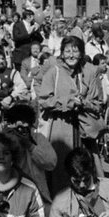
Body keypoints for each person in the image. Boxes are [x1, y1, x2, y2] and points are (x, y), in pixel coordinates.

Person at [38, 36, 104, 195]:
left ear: (82, 53)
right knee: (62, 166)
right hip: (61, 125)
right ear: (61, 53)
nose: (71, 55)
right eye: (67, 51)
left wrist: (83, 103)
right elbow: (44, 100)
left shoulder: (90, 71)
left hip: (84, 125)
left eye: (75, 51)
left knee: (85, 166)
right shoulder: (54, 71)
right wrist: (67, 102)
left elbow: (98, 103)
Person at [49, 147, 109, 217]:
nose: (82, 185)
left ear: (92, 172)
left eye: (86, 179)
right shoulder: (60, 201)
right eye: (76, 181)